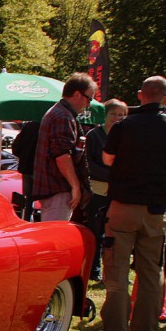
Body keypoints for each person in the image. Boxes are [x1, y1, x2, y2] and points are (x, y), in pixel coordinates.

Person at [100, 76, 166, 331]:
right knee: (151, 273)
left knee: (117, 271)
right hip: (155, 211)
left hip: (123, 207)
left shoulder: (124, 126)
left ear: (140, 95)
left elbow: (107, 159)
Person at [31, 73, 97, 221]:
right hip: (58, 190)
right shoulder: (63, 116)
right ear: (77, 94)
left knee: (53, 237)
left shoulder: (59, 112)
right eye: (89, 98)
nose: (89, 104)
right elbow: (62, 155)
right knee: (55, 240)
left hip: (53, 190)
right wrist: (75, 186)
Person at [84, 99, 128, 279]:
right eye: (113, 114)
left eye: (121, 115)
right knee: (96, 231)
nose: (117, 118)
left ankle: (115, 271)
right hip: (98, 190)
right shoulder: (95, 135)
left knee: (118, 234)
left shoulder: (127, 135)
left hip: (120, 192)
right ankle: (94, 270)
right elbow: (88, 163)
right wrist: (112, 174)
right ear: (105, 115)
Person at [10, 120, 40, 220]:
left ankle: (27, 221)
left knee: (28, 201)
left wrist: (23, 157)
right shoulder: (47, 126)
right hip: (39, 170)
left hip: (26, 167)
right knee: (46, 201)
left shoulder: (28, 126)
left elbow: (16, 147)